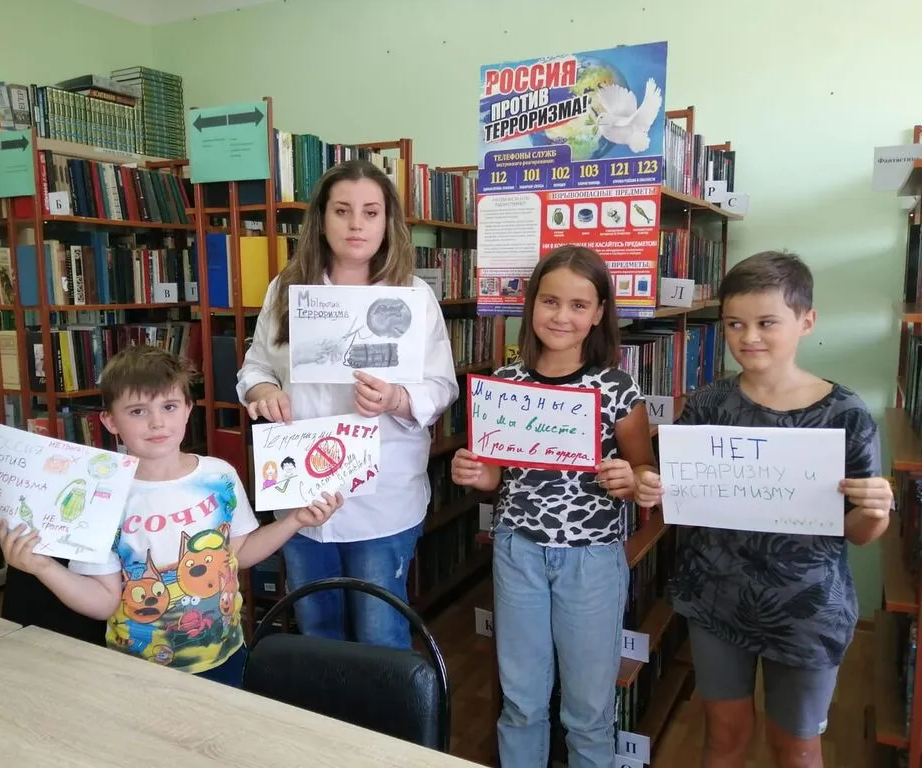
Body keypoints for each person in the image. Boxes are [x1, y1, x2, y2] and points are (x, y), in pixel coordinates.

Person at [637, 251, 892, 768]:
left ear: (806, 321)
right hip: (716, 597)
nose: (748, 337)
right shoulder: (708, 403)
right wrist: (650, 486)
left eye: (766, 322)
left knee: (797, 749)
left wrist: (876, 509)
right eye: (735, 324)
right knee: (723, 736)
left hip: (805, 609)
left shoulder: (845, 413)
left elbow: (860, 531)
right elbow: (676, 488)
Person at [0, 345, 342, 687]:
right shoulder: (102, 497)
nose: (157, 422)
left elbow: (238, 553)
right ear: (110, 421)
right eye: (137, 411)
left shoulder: (219, 476)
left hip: (226, 655)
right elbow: (104, 601)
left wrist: (295, 520)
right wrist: (43, 567)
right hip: (136, 670)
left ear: (188, 410)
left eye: (169, 406)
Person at [236, 158, 458, 650]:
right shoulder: (286, 290)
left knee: (380, 633)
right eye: (342, 210)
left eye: (370, 212)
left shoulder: (412, 294)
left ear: (387, 222)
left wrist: (398, 398)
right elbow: (256, 366)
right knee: (317, 628)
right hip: (301, 492)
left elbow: (442, 386)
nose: (356, 224)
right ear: (321, 219)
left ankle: (383, 707)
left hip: (382, 499)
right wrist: (262, 391)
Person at [451, 246, 659, 768]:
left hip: (591, 559)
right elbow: (496, 475)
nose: (562, 316)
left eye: (578, 305)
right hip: (518, 550)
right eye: (550, 301)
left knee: (588, 710)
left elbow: (644, 472)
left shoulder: (616, 387)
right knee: (521, 701)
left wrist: (630, 479)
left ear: (599, 313)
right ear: (532, 304)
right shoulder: (507, 382)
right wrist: (475, 473)